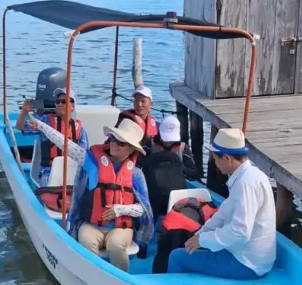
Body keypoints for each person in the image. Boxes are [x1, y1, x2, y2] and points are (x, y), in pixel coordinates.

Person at [26, 114, 153, 273]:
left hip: (120, 229)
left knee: (115, 245)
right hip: (91, 226)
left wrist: (120, 210)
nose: (114, 144)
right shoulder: (92, 161)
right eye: (113, 139)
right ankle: (93, 279)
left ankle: (121, 281)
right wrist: (39, 125)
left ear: (132, 148)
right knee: (86, 242)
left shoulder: (136, 175)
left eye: (121, 142)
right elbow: (65, 144)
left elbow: (144, 209)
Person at [167, 128, 276, 280]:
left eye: (215, 159)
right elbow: (224, 213)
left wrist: (203, 240)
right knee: (194, 249)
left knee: (176, 257)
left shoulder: (245, 184)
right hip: (250, 254)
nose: (215, 163)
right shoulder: (252, 175)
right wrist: (200, 235)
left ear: (227, 158)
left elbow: (241, 232)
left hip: (247, 262)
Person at [16, 89, 88, 181]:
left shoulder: (80, 129)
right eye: (57, 102)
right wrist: (24, 112)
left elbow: (85, 156)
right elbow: (20, 127)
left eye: (64, 101)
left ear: (73, 106)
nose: (59, 104)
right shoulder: (46, 121)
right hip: (49, 170)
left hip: (73, 171)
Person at [141, 114, 200, 219]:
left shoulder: (182, 148)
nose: (168, 142)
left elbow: (194, 174)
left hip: (175, 195)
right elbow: (139, 165)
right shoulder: (150, 145)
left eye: (171, 139)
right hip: (153, 194)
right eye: (165, 138)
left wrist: (179, 166)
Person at [117, 85, 158, 150]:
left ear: (151, 103)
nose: (139, 104)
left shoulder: (156, 125)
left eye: (143, 101)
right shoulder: (125, 121)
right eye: (136, 100)